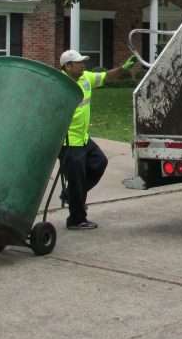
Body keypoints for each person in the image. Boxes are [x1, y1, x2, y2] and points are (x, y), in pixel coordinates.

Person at [58, 49, 137, 230]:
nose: (83, 65)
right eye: (79, 63)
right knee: (77, 180)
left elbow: (106, 77)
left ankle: (70, 194)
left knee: (99, 162)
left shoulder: (86, 77)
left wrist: (123, 68)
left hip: (83, 138)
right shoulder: (59, 84)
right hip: (69, 142)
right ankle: (76, 220)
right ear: (68, 66)